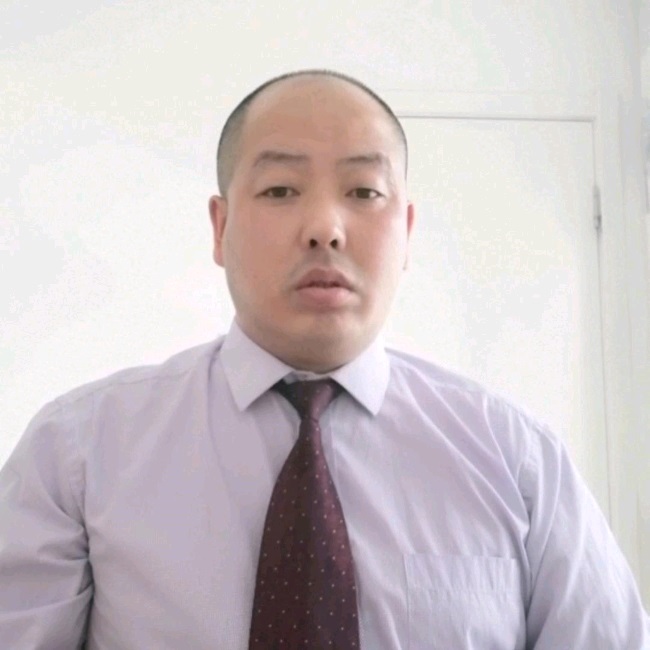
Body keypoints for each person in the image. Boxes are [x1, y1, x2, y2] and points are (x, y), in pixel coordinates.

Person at [0, 69, 648, 649]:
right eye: (281, 189)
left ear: (406, 233)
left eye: (363, 192)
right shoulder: (79, 453)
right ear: (220, 228)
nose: (324, 227)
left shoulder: (517, 460)